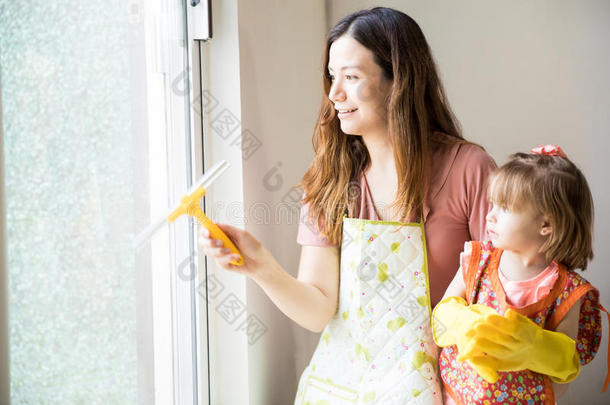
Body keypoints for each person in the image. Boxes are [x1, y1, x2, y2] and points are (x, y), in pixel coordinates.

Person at [199, 7, 495, 402]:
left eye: (351, 78)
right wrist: (261, 267)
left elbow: (503, 292)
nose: (334, 93)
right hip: (342, 390)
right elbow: (319, 309)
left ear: (399, 82)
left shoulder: (469, 169)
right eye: (331, 77)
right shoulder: (330, 179)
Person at [433, 145, 608, 404]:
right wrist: (464, 324)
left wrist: (533, 344)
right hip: (456, 396)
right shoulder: (477, 260)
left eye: (504, 208)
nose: (489, 216)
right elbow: (440, 318)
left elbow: (566, 366)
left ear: (546, 225)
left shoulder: (568, 291)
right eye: (492, 204)